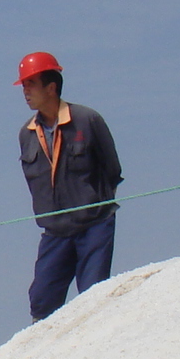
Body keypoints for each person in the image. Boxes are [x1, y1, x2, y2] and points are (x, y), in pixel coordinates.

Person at [16, 51, 122, 321]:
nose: (25, 91)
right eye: (24, 85)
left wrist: (93, 203)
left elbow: (112, 169)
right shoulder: (27, 134)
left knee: (93, 297)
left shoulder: (87, 120)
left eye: (31, 84)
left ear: (51, 88)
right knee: (41, 301)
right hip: (55, 232)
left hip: (94, 225)